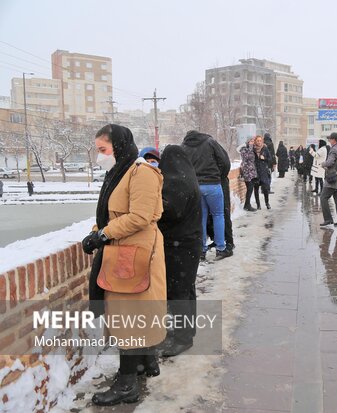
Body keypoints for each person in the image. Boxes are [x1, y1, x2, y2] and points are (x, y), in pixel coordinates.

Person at [81, 124, 166, 406]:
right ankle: (144, 363)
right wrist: (98, 230)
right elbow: (109, 213)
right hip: (125, 250)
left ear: (118, 146)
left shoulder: (141, 173)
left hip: (135, 252)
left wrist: (102, 235)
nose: (100, 156)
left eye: (103, 150)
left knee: (129, 315)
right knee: (134, 312)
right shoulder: (119, 172)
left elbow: (140, 216)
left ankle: (127, 382)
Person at [156, 145, 201, 357]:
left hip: (178, 246)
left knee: (177, 292)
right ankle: (188, 330)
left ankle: (182, 339)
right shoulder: (189, 178)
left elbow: (170, 211)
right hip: (189, 243)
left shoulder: (175, 183)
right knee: (187, 289)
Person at [181, 130, 232, 261]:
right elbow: (225, 161)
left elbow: (182, 166)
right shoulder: (210, 142)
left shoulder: (184, 146)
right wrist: (219, 176)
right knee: (218, 215)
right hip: (213, 184)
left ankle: (202, 250)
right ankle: (221, 248)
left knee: (201, 218)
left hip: (196, 186)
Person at [320, 132, 337, 228]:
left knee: (323, 197)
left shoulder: (334, 150)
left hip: (332, 180)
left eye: (330, 139)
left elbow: (330, 162)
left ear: (334, 140)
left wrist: (323, 164)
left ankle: (328, 219)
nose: (329, 141)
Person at [237, 136, 258, 211]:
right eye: (251, 141)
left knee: (251, 188)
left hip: (251, 171)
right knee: (250, 188)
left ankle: (247, 205)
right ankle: (247, 205)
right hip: (246, 171)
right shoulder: (244, 149)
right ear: (248, 141)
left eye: (253, 141)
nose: (252, 142)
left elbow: (253, 159)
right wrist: (250, 148)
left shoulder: (251, 149)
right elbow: (246, 157)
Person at [253, 135, 272, 209]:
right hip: (255, 172)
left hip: (263, 171)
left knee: (265, 189)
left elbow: (270, 159)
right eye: (257, 140)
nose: (259, 142)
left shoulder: (265, 149)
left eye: (260, 140)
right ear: (255, 141)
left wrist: (264, 158)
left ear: (262, 141)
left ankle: (267, 203)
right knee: (256, 189)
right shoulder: (253, 150)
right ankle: (258, 205)